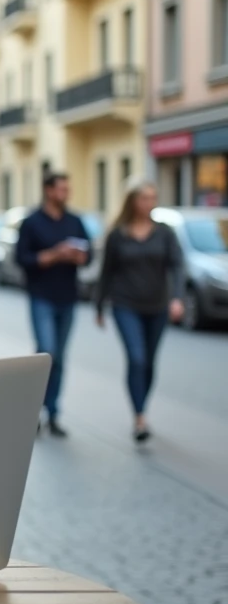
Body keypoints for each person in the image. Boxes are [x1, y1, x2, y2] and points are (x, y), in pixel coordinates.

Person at [93, 180, 184, 443]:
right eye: (144, 198)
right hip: (125, 305)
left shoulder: (165, 233)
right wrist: (99, 306)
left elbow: (177, 266)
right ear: (133, 200)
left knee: (150, 362)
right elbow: (106, 272)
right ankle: (140, 417)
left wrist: (177, 298)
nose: (149, 203)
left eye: (153, 197)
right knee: (137, 358)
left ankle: (141, 405)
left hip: (157, 306)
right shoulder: (118, 234)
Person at [14, 172, 90, 438]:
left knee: (59, 357)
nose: (66, 194)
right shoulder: (32, 222)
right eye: (61, 189)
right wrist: (55, 254)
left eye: (68, 189)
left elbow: (88, 255)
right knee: (47, 352)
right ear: (48, 191)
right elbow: (22, 258)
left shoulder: (75, 221)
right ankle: (34, 411)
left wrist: (80, 256)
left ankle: (53, 412)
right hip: (41, 296)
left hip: (68, 298)